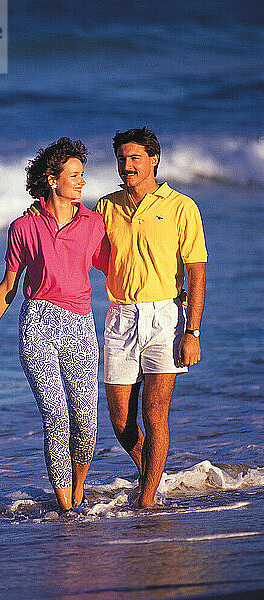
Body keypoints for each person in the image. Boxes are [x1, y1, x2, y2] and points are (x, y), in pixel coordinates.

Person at [0, 137, 109, 512]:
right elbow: (8, 286)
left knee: (85, 418)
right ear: (52, 179)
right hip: (39, 323)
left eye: (83, 174)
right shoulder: (23, 226)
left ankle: (78, 488)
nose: (82, 182)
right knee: (54, 413)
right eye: (75, 175)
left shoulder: (93, 223)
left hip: (81, 325)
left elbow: (115, 268)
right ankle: (66, 507)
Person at [95, 126, 207, 508]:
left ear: (154, 159)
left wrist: (192, 330)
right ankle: (151, 474)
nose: (127, 165)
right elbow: (72, 232)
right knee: (120, 421)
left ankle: (146, 498)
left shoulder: (181, 206)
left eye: (135, 158)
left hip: (166, 317)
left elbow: (197, 273)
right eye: (122, 159)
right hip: (120, 317)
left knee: (155, 413)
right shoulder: (106, 206)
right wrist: (39, 208)